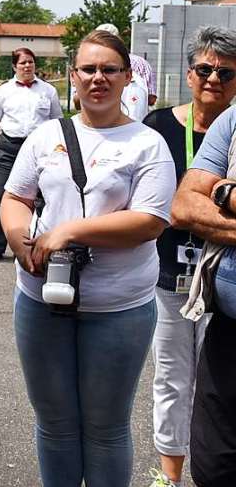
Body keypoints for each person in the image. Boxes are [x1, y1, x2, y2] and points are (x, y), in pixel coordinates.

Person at [1, 29, 176, 487]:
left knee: (105, 428)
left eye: (109, 70)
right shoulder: (45, 136)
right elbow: (15, 197)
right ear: (72, 77)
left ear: (126, 78)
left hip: (117, 308)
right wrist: (21, 243)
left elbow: (149, 221)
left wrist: (69, 231)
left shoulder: (147, 143)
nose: (98, 78)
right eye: (88, 69)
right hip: (41, 300)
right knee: (54, 424)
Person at [143, 26, 236, 487]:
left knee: (215, 387)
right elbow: (166, 206)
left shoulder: (231, 132)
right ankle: (169, 475)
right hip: (169, 273)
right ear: (189, 72)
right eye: (204, 68)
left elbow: (189, 207)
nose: (213, 78)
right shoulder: (158, 126)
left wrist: (206, 205)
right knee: (172, 378)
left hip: (220, 279)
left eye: (226, 72)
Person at [169, 74, 236, 487]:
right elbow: (183, 206)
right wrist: (222, 195)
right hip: (228, 327)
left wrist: (224, 193)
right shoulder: (232, 122)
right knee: (214, 467)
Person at [0, 47, 62, 262]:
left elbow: (57, 123)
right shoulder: (4, 90)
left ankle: (36, 245)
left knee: (41, 199)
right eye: (23, 62)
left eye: (31, 62)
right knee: (1, 198)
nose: (27, 66)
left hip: (39, 151)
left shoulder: (48, 91)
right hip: (9, 148)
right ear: (14, 66)